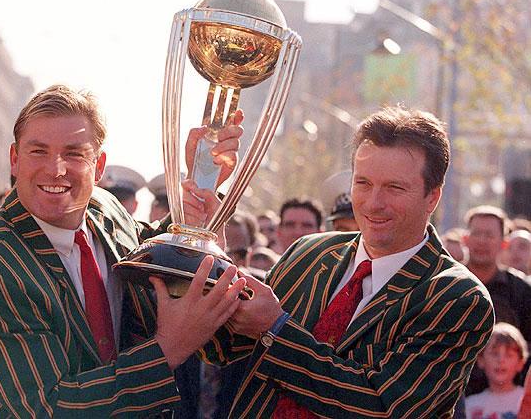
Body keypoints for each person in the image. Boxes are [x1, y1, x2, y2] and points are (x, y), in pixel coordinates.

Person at [0, 84, 246, 418]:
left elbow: (152, 261)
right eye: (38, 151)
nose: (56, 169)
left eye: (74, 154)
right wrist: (169, 347)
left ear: (99, 166)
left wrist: (199, 193)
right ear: (14, 159)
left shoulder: (104, 209)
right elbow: (53, 408)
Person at [201, 106, 494, 417]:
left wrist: (275, 330)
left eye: (394, 187)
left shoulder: (457, 297)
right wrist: (203, 213)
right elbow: (221, 345)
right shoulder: (308, 254)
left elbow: (382, 409)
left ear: (432, 197)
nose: (374, 203)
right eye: (363, 183)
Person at [464, 205, 531, 395]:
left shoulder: (522, 291)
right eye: (477, 233)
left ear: (504, 243)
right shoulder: (444, 284)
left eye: (489, 235)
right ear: (466, 239)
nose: (482, 241)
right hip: (451, 398)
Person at [465, 322, 527, 419]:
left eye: (509, 355)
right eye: (494, 354)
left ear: (520, 363)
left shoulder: (527, 400)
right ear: (481, 360)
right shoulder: (470, 405)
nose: (501, 360)